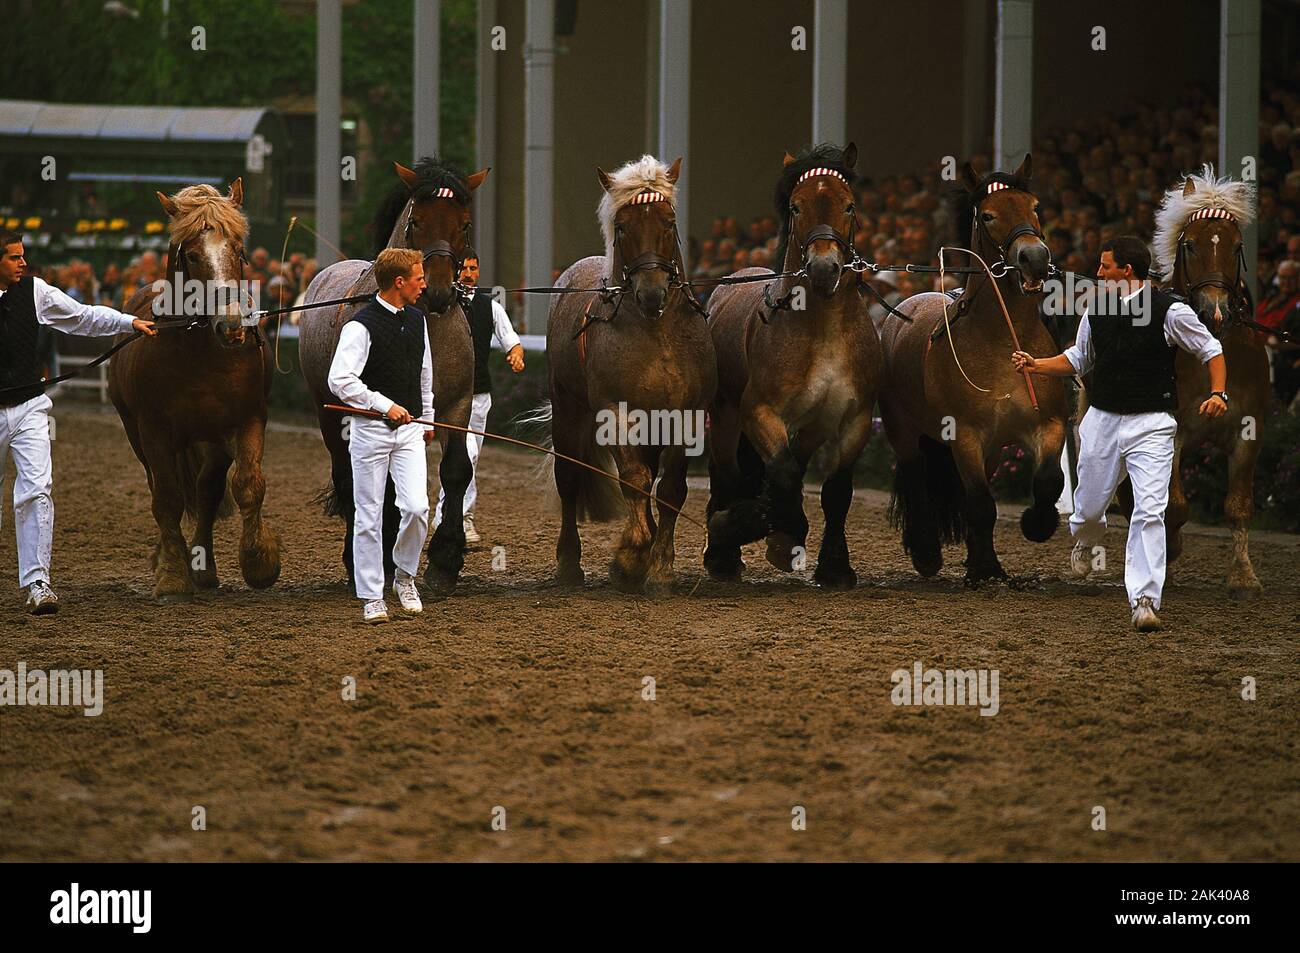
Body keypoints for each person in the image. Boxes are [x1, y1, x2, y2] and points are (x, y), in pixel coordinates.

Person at [1011, 236, 1227, 633]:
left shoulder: (1171, 310)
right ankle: (1086, 537)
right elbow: (1078, 357)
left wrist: (1218, 392)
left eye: (1104, 266)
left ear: (1126, 271)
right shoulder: (1097, 308)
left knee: (1149, 511)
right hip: (1103, 421)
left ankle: (1144, 599)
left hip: (1152, 424)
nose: (1097, 273)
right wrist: (1036, 364)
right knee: (1089, 509)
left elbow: (1210, 349)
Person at [0, 230, 157, 614]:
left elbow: (82, 317)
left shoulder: (35, 292)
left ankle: (38, 583)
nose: (23, 263)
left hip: (29, 406)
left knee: (37, 489)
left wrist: (128, 323)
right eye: (13, 257)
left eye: (23, 256)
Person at [327, 248, 435, 624]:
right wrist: (381, 404)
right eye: (419, 278)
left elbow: (425, 373)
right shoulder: (360, 326)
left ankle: (404, 576)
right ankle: (372, 595)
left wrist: (429, 419)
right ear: (399, 282)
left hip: (411, 431)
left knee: (417, 508)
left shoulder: (419, 320)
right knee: (369, 516)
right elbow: (339, 380)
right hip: (370, 432)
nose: (425, 284)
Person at [435, 254, 524, 544]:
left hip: (479, 396)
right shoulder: (440, 306)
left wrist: (515, 353)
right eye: (463, 268)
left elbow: (510, 338)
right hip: (448, 399)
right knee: (465, 454)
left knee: (470, 458)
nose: (468, 273)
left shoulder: (490, 307)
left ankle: (454, 514)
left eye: (473, 268)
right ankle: (456, 516)